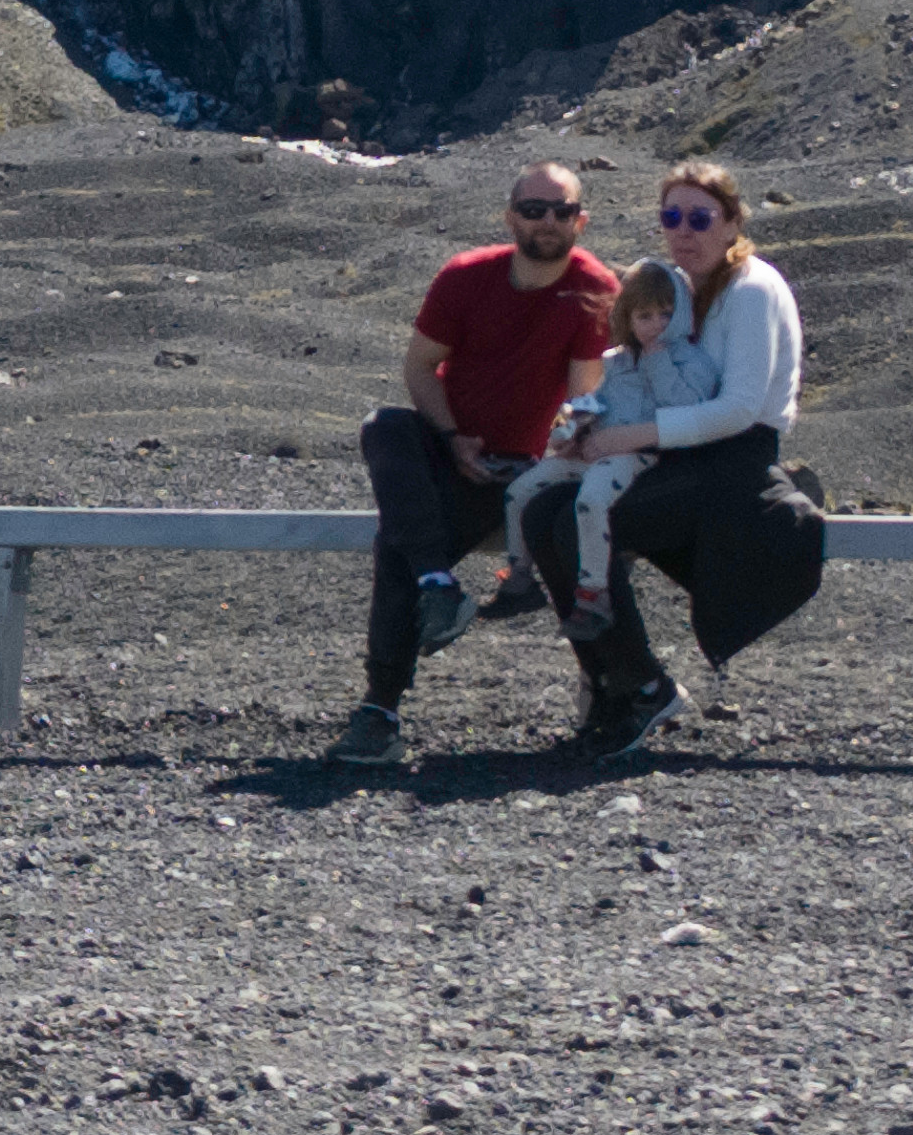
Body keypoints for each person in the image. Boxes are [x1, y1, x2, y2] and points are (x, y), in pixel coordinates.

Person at [523, 156, 815, 771]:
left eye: (700, 217)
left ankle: (642, 688)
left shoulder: (751, 289)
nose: (684, 230)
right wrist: (588, 431)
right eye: (672, 217)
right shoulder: (682, 292)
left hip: (733, 460)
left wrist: (626, 438)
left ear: (733, 222)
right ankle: (610, 683)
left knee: (574, 521)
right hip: (679, 451)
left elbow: (738, 410)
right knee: (543, 511)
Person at [331, 160, 618, 769]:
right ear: (510, 215)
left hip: (522, 468)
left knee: (398, 543)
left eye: (561, 210)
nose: (547, 221)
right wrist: (455, 437)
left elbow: (585, 399)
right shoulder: (465, 277)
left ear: (581, 220)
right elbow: (419, 369)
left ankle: (383, 705)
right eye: (534, 209)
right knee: (386, 427)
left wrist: (542, 465)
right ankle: (436, 590)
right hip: (447, 446)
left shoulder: (594, 291)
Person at [502, 263, 714, 641]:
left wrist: (657, 358)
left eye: (666, 314)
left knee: (591, 500)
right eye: (645, 316)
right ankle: (519, 577)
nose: (656, 324)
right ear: (627, 317)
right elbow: (596, 403)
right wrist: (572, 432)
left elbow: (684, 409)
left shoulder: (690, 361)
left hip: (640, 456)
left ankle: (593, 593)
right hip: (594, 448)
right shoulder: (615, 362)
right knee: (521, 489)